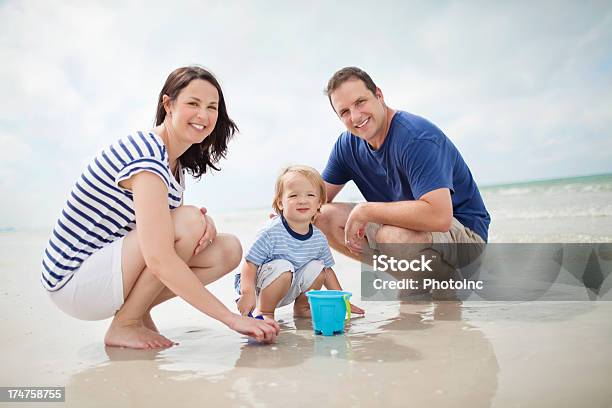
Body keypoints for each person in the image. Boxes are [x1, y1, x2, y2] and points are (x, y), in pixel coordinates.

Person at [41, 66, 279, 349]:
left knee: (228, 250)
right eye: (193, 103)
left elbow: (154, 229)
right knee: (189, 222)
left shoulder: (174, 165)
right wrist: (232, 320)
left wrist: (202, 223)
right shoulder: (147, 155)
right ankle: (126, 323)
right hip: (73, 280)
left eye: (211, 107)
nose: (203, 115)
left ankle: (134, 316)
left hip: (105, 273)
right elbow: (159, 257)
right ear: (168, 104)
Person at [316, 66, 490, 269]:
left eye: (360, 102)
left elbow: (440, 217)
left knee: (391, 237)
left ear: (379, 95)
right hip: (404, 232)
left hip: (465, 237)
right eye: (345, 112)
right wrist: (286, 212)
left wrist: (366, 210)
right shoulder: (348, 145)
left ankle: (442, 287)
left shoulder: (416, 137)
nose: (355, 117)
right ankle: (414, 280)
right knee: (322, 216)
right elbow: (315, 200)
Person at [235, 165, 365, 319]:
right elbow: (250, 263)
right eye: (293, 196)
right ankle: (265, 312)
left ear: (319, 203)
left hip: (290, 282)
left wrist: (343, 301)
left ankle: (303, 308)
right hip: (260, 287)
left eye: (310, 195)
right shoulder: (271, 232)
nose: (302, 200)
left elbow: (328, 272)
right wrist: (247, 293)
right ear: (280, 203)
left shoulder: (318, 237)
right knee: (283, 266)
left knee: (319, 267)